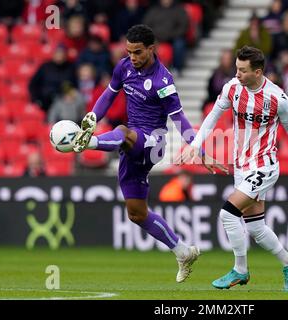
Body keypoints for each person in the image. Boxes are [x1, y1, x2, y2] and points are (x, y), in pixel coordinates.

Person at [70, 25, 227, 282]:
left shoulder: (163, 81)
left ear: (151, 49)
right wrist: (92, 117)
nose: (132, 56)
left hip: (153, 143)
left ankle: (88, 144)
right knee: (136, 213)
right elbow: (109, 96)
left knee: (121, 131)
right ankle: (183, 251)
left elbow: (179, 119)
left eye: (138, 52)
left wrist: (198, 148)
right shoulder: (123, 67)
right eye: (129, 51)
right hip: (133, 147)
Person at [177, 46, 288, 291]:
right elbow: (212, 116)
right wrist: (196, 145)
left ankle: (240, 271)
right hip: (241, 166)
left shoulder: (277, 98)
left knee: (227, 214)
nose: (237, 74)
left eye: (243, 70)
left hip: (264, 166)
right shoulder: (232, 88)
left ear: (258, 72)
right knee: (255, 227)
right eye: (236, 68)